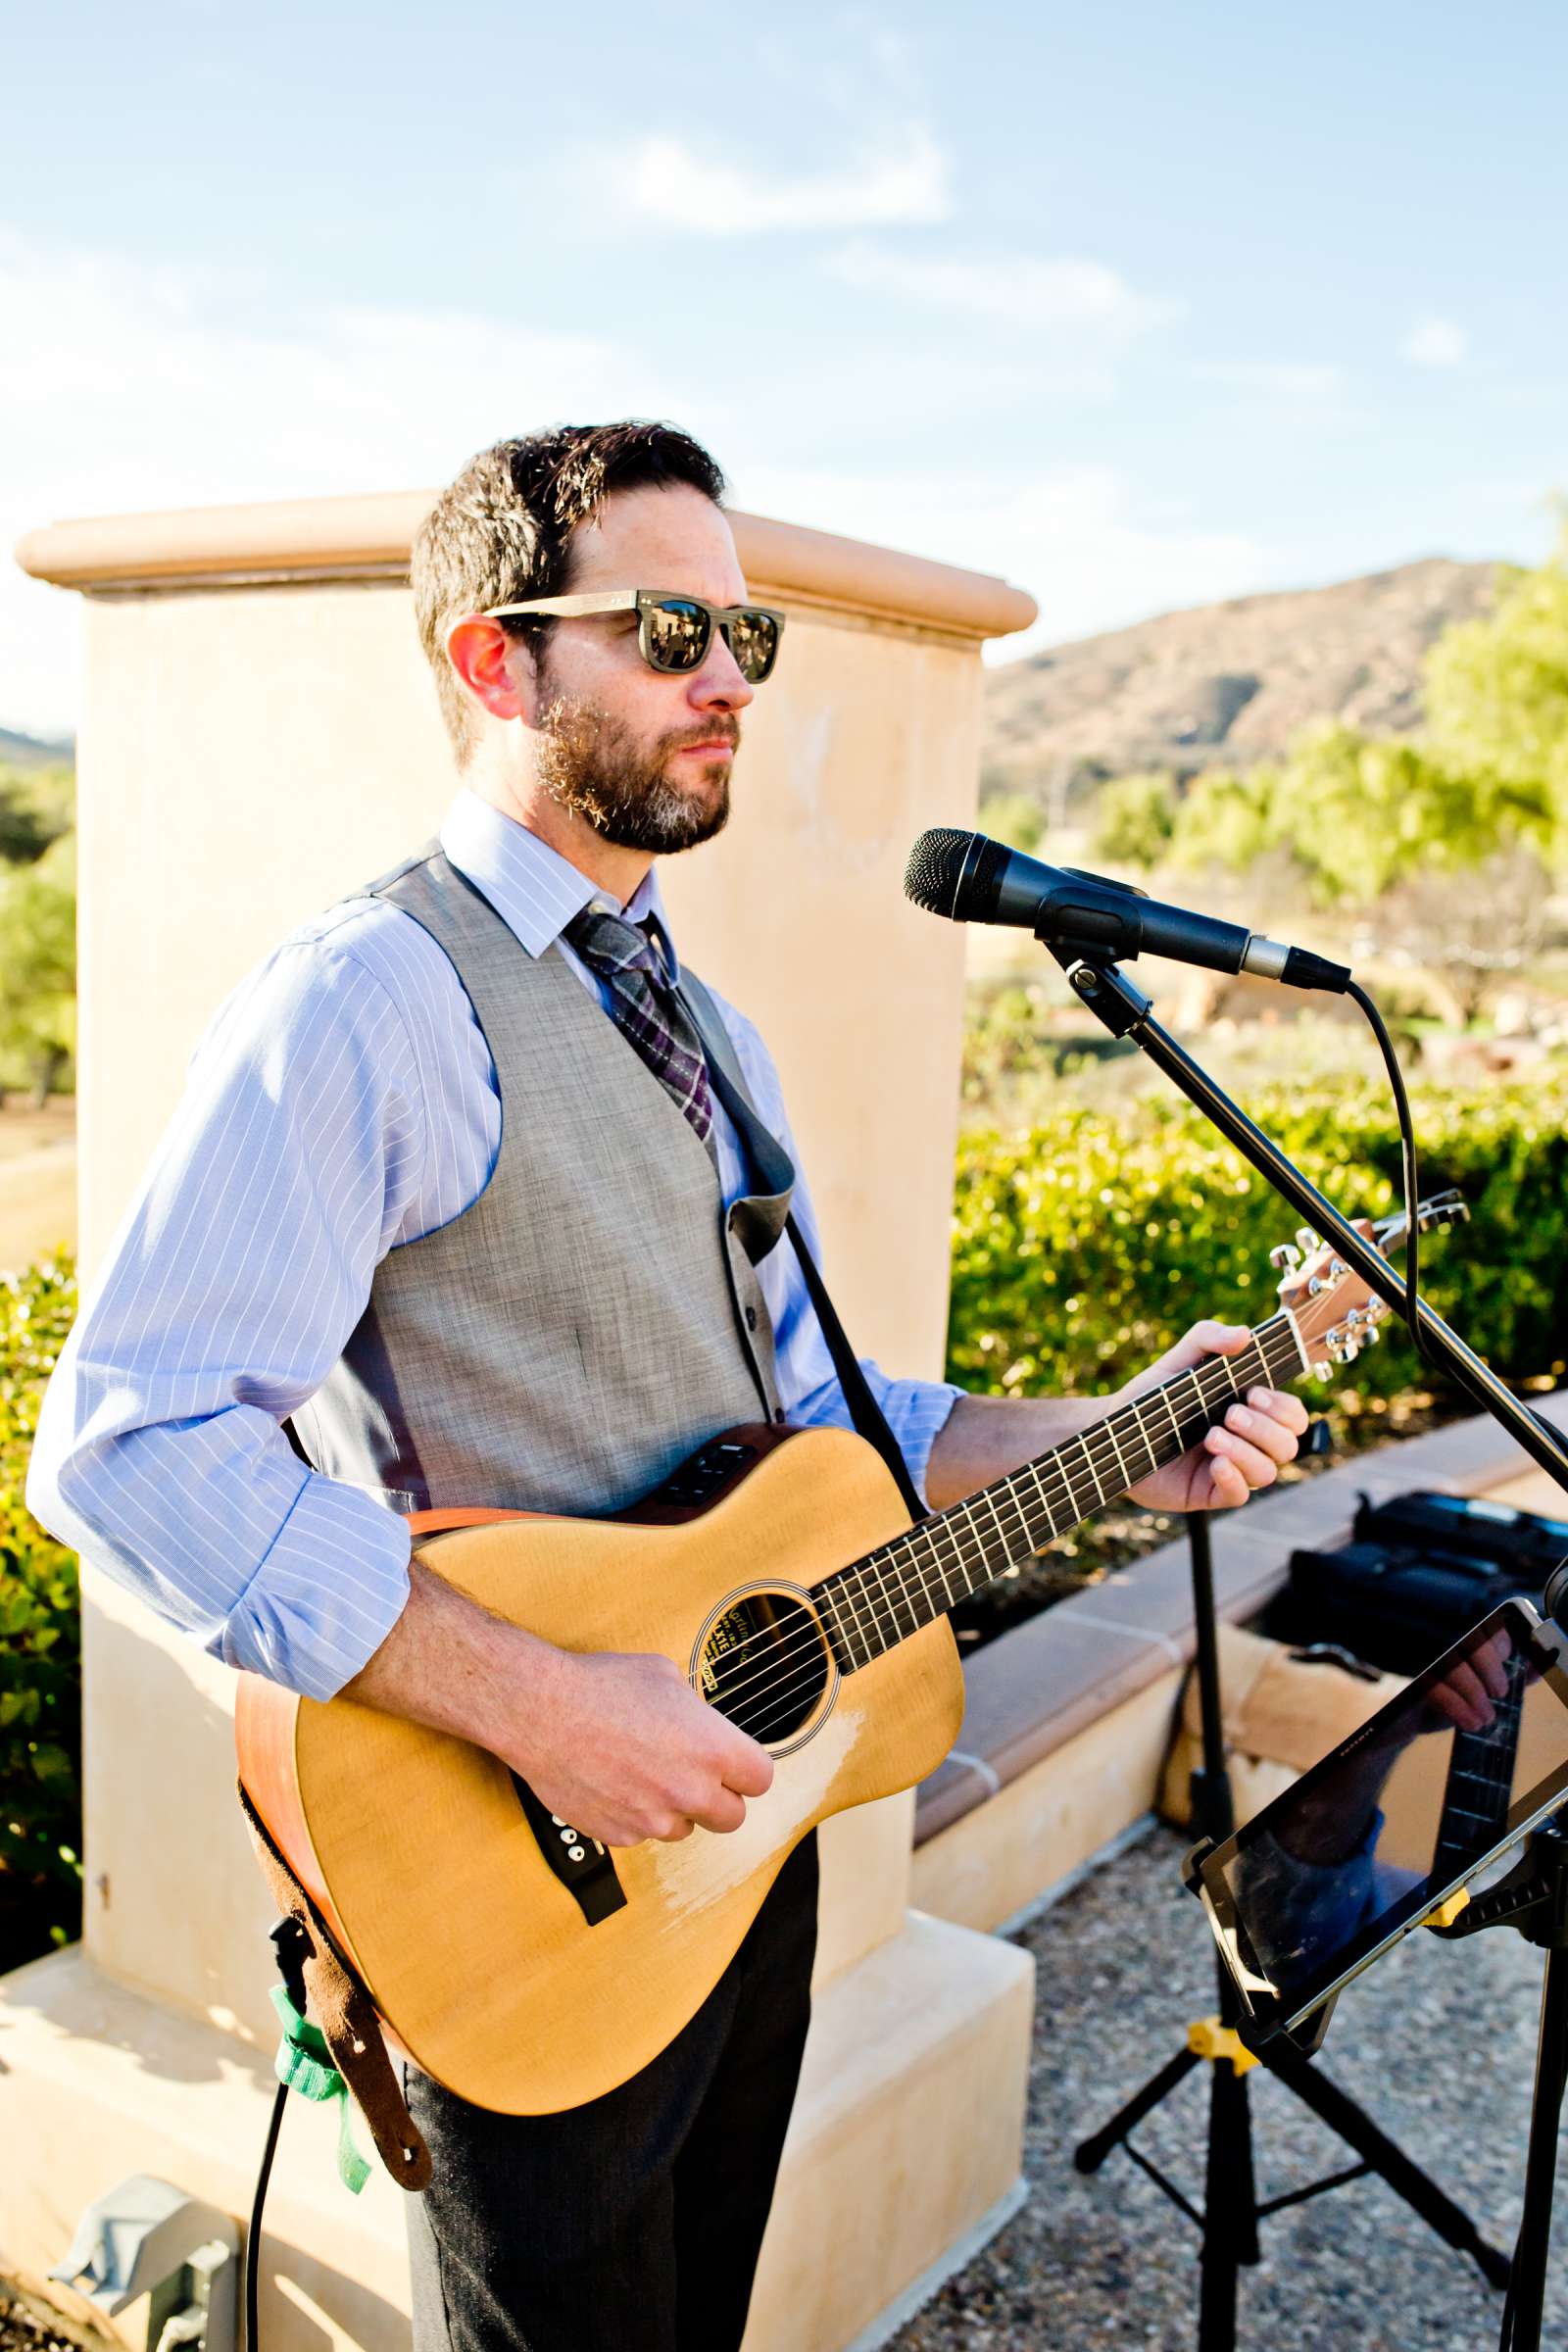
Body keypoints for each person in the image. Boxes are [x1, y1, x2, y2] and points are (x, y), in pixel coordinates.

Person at [25, 420, 1308, 2352]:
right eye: (666, 626)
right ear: (493, 660)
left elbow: (816, 1422)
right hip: (517, 1863)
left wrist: (1116, 1441)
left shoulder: (704, 1023)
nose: (728, 676)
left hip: (736, 1842)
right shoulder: (369, 993)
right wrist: (547, 1704)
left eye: (744, 634)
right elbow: (130, 1443)